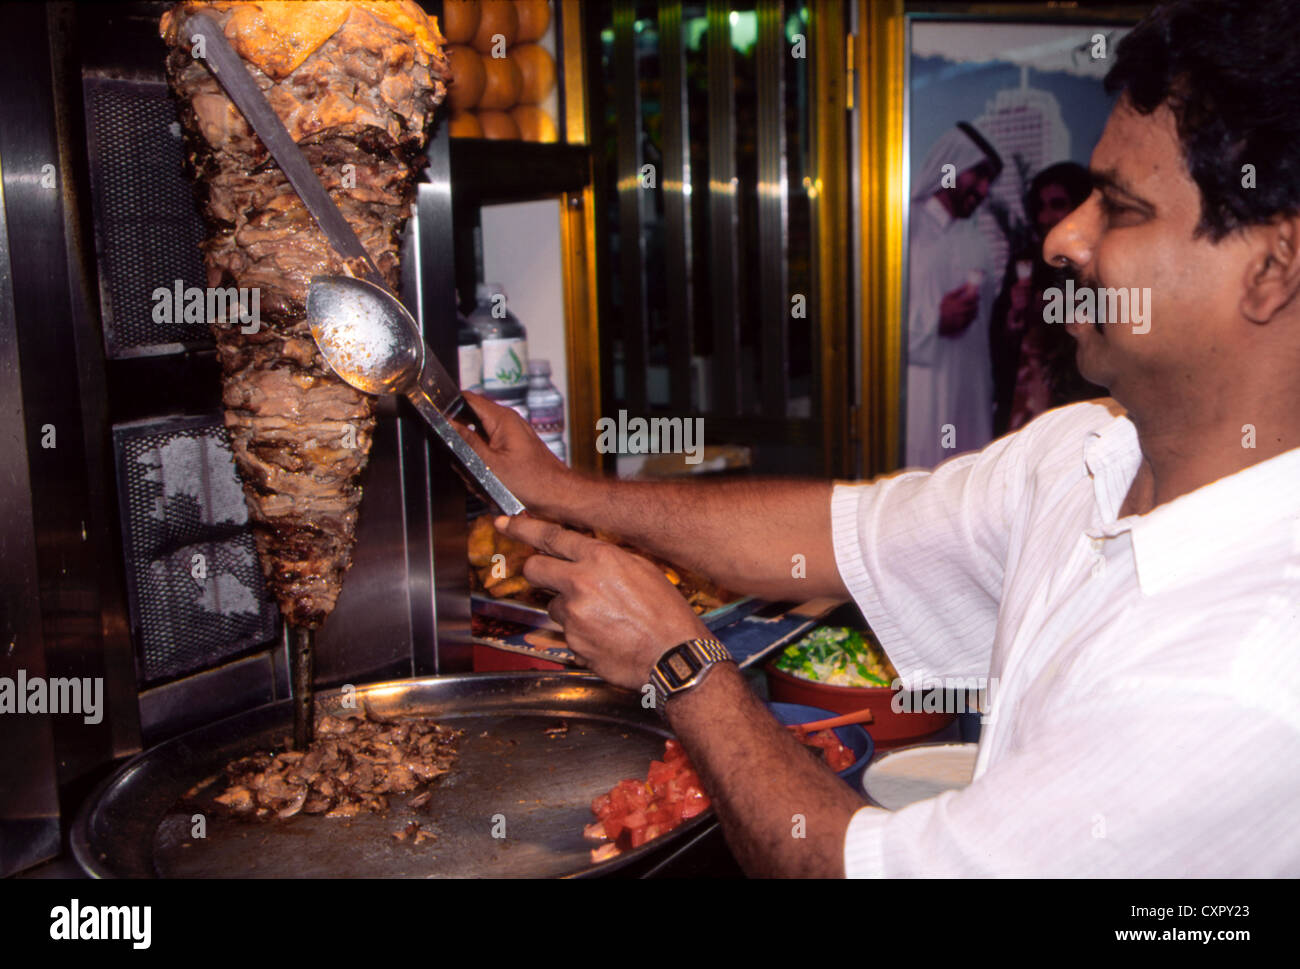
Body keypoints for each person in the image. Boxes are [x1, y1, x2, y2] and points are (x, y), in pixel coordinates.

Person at [455, 0, 1300, 876]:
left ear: (1272, 267)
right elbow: (831, 534)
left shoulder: (1238, 673)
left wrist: (683, 665)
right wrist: (567, 489)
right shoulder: (1085, 454)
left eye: (1120, 209)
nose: (1062, 236)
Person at [905, 122, 1003, 468]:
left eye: (989, 180)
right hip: (920, 389)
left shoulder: (975, 241)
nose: (983, 188)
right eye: (977, 175)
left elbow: (990, 326)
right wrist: (935, 321)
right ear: (951, 167)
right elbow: (871, 320)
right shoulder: (906, 228)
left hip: (969, 387)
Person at [990, 161, 1104, 435]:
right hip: (1024, 400)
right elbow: (1000, 339)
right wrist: (1015, 317)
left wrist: (1055, 310)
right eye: (1040, 207)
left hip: (1079, 399)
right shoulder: (1026, 261)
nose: (1046, 216)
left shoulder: (1099, 260)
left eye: (1057, 204)